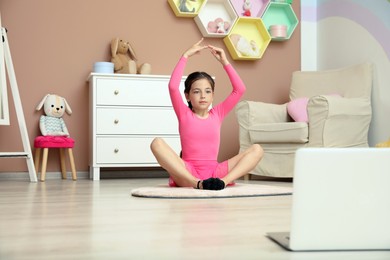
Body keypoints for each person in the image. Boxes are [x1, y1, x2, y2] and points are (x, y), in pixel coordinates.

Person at [150, 39, 263, 190]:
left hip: (216, 173)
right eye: (196, 91)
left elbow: (239, 89)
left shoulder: (218, 113)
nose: (203, 96)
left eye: (207, 91)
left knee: (257, 149)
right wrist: (185, 56)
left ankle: (222, 183)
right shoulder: (184, 114)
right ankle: (198, 183)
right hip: (188, 173)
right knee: (156, 143)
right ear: (187, 96)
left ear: (212, 95)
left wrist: (225, 62)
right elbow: (172, 87)